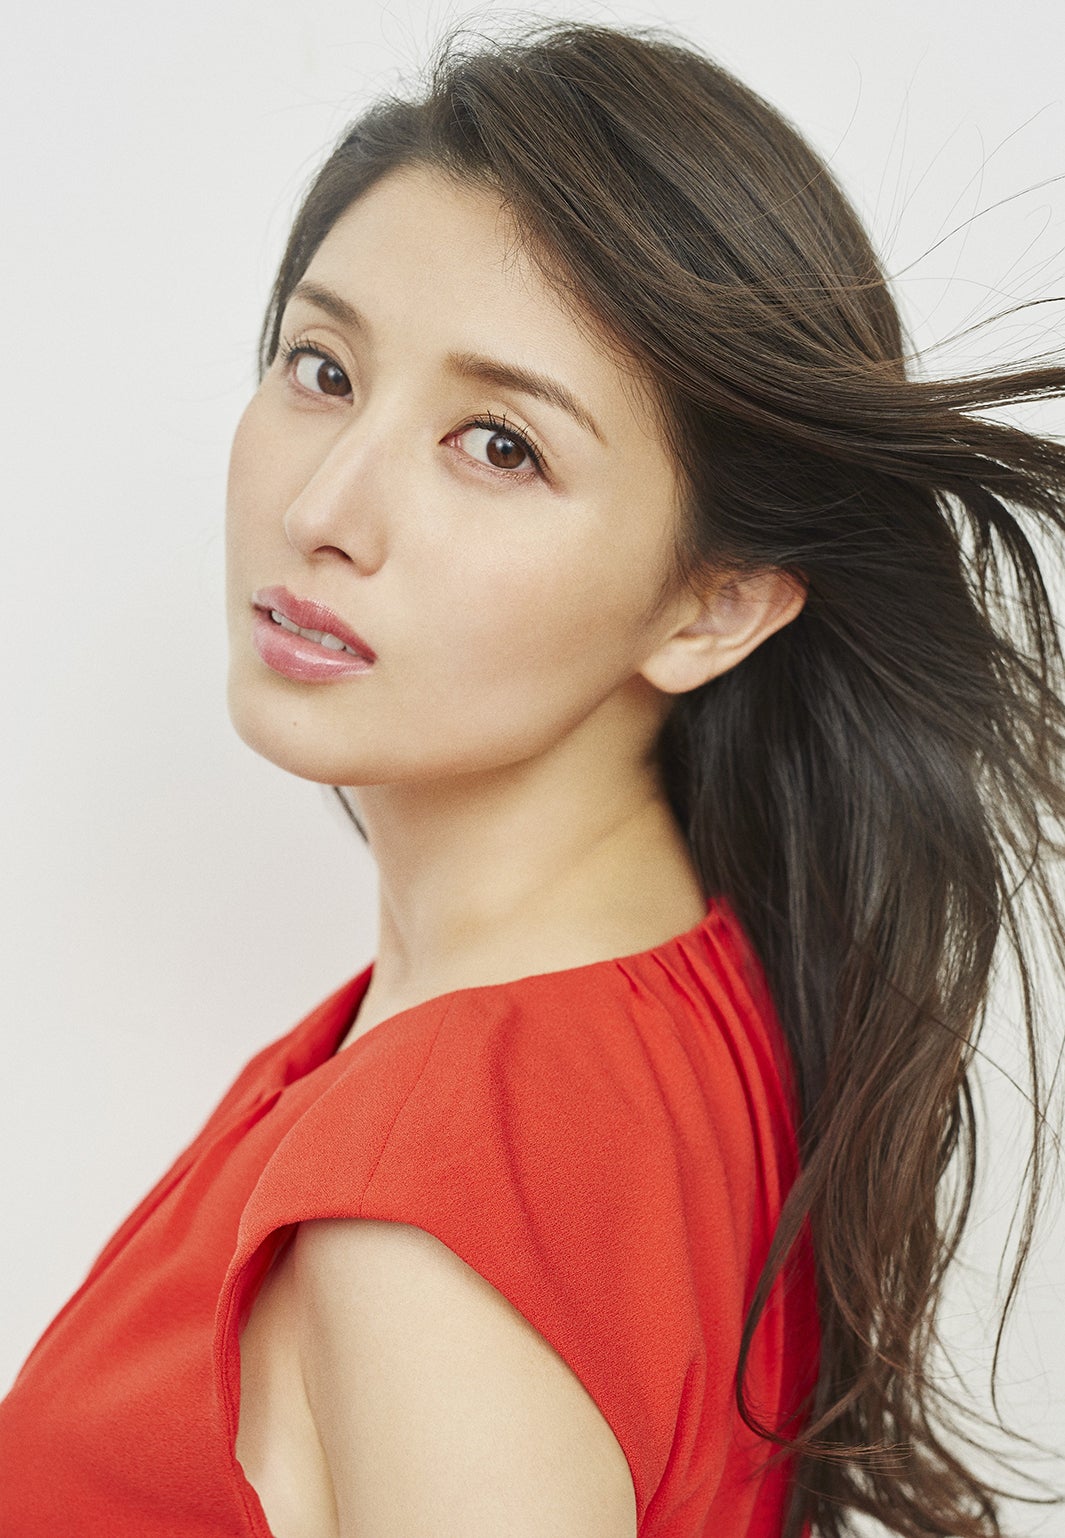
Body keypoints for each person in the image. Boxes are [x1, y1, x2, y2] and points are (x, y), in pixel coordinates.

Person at [1, 17, 1063, 1538]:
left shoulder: (420, 1207)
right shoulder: (686, 1002)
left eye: (498, 445)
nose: (325, 506)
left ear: (713, 604)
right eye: (321, 367)